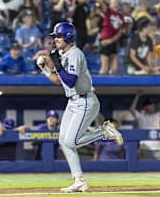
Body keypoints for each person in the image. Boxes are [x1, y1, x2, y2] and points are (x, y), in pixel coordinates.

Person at [36, 22, 123, 193]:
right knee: (63, 141)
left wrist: (57, 65)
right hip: (73, 101)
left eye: (59, 36)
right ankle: (79, 180)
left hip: (85, 101)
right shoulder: (64, 54)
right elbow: (58, 81)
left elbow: (70, 80)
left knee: (72, 141)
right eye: (55, 37)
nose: (56, 40)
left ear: (68, 37)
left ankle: (103, 132)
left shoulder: (75, 53)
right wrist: (45, 68)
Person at [130, 90, 160, 159]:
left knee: (158, 169)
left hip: (157, 149)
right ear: (145, 107)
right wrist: (137, 96)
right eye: (151, 105)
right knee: (144, 168)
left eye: (153, 105)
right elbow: (132, 109)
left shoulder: (157, 116)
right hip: (145, 149)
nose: (153, 107)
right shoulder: (141, 117)